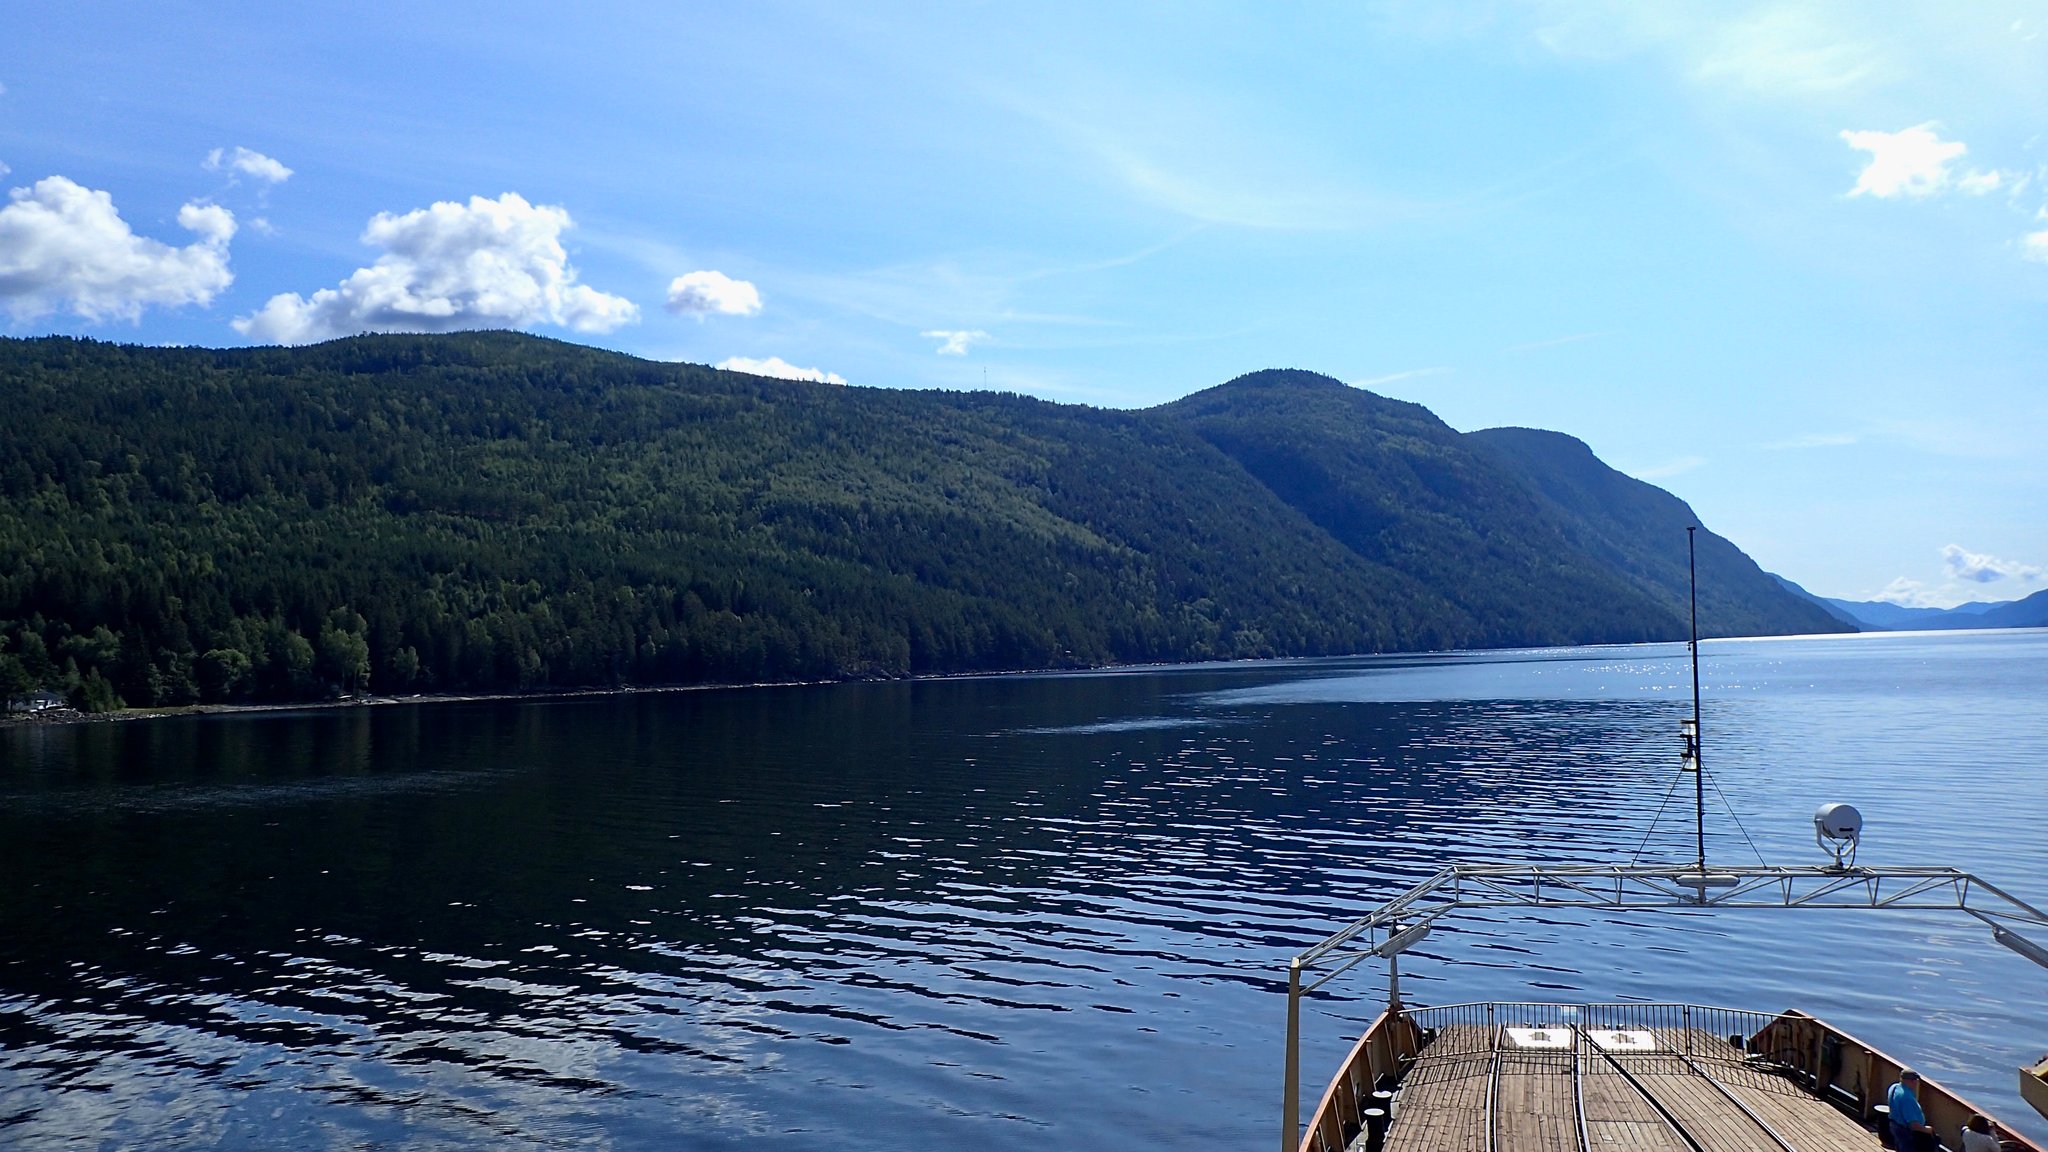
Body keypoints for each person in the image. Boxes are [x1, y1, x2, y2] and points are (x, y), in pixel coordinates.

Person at [1888, 1070, 1937, 1152]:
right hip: (1905, 1132)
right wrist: (1928, 1130)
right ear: (1910, 1081)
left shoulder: (1894, 1087)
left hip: (1895, 1126)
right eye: (1915, 1080)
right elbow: (1914, 1125)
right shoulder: (1906, 1098)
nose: (1916, 1083)